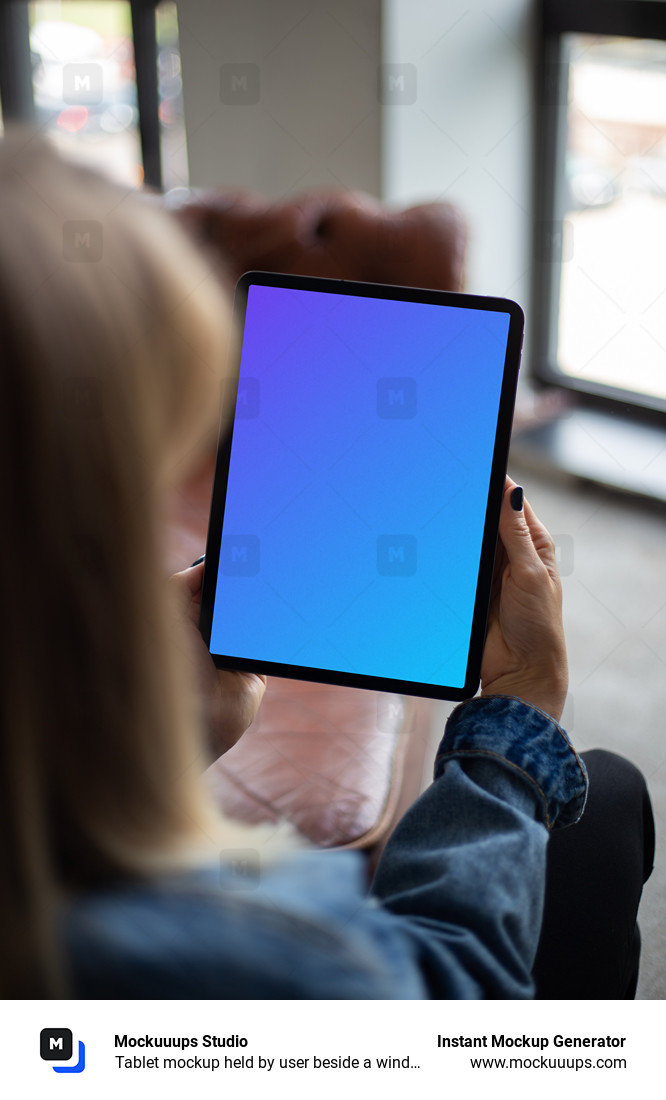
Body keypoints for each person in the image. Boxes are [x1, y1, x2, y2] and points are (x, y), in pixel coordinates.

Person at [0, 134, 653, 1000]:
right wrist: (520, 706)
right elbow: (447, 998)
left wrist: (151, 745)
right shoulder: (242, 943)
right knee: (604, 800)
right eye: (137, 486)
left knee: (602, 800)